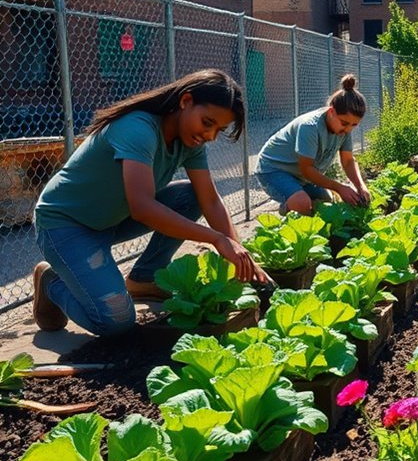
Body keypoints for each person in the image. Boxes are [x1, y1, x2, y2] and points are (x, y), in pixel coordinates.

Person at [32, 69, 268, 336]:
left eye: (219, 130)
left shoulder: (190, 143)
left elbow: (210, 201)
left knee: (190, 196)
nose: (210, 135)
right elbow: (142, 207)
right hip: (66, 226)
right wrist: (216, 239)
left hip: (111, 219)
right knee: (116, 322)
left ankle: (144, 277)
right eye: (207, 122)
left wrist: (241, 253)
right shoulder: (138, 129)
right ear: (185, 101)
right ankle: (52, 282)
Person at [255, 74, 370, 215]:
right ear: (331, 111)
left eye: (354, 125)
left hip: (300, 176)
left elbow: (347, 161)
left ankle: (295, 199)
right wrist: (339, 187)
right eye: (345, 123)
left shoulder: (344, 130)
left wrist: (360, 186)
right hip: (273, 170)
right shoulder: (310, 127)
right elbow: (307, 169)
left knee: (326, 202)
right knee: (302, 203)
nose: (348, 129)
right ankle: (290, 206)